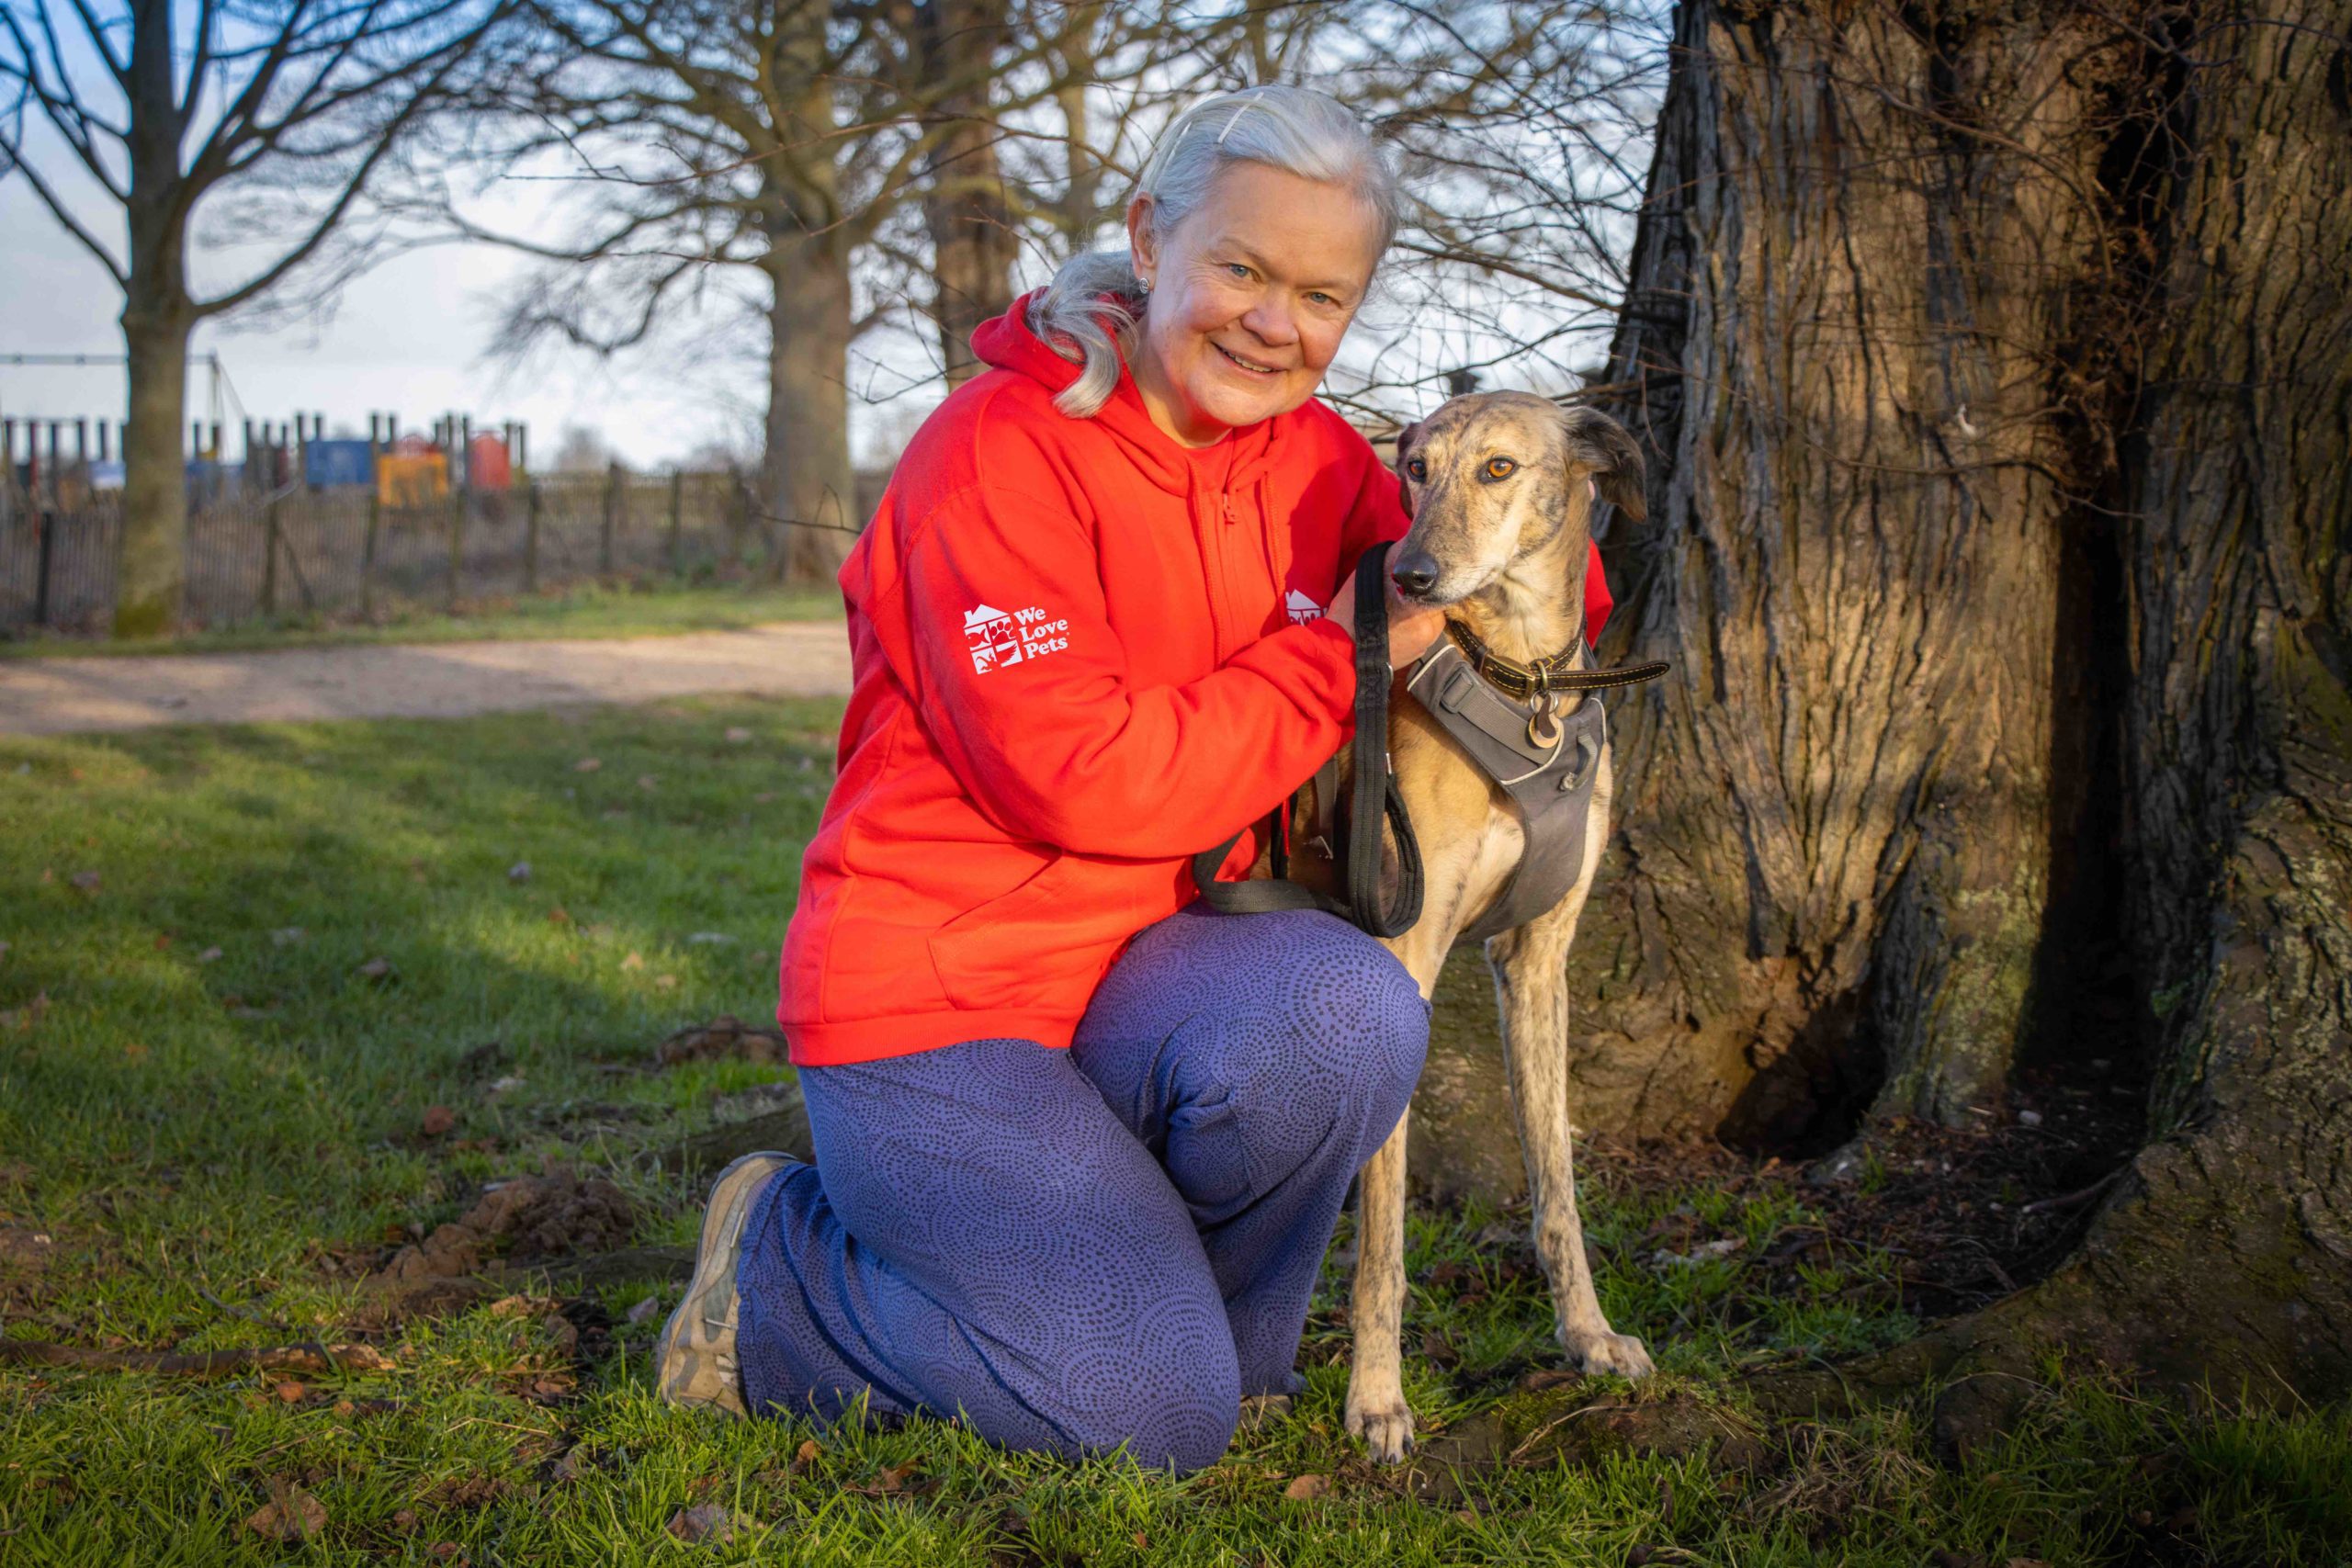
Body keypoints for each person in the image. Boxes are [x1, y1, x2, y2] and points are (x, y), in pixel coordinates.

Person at [653, 84, 1615, 1472]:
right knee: (1141, 1414)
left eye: (1324, 295)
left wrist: (1533, 545)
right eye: (1241, 267)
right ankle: (778, 1282)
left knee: (1349, 1011)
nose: (1275, 323)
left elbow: (1511, 560)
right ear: (1149, 239)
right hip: (942, 1010)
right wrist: (1346, 652)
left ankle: (1184, 1342)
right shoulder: (993, 457)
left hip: (1153, 981)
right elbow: (1084, 780)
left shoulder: (1318, 461)